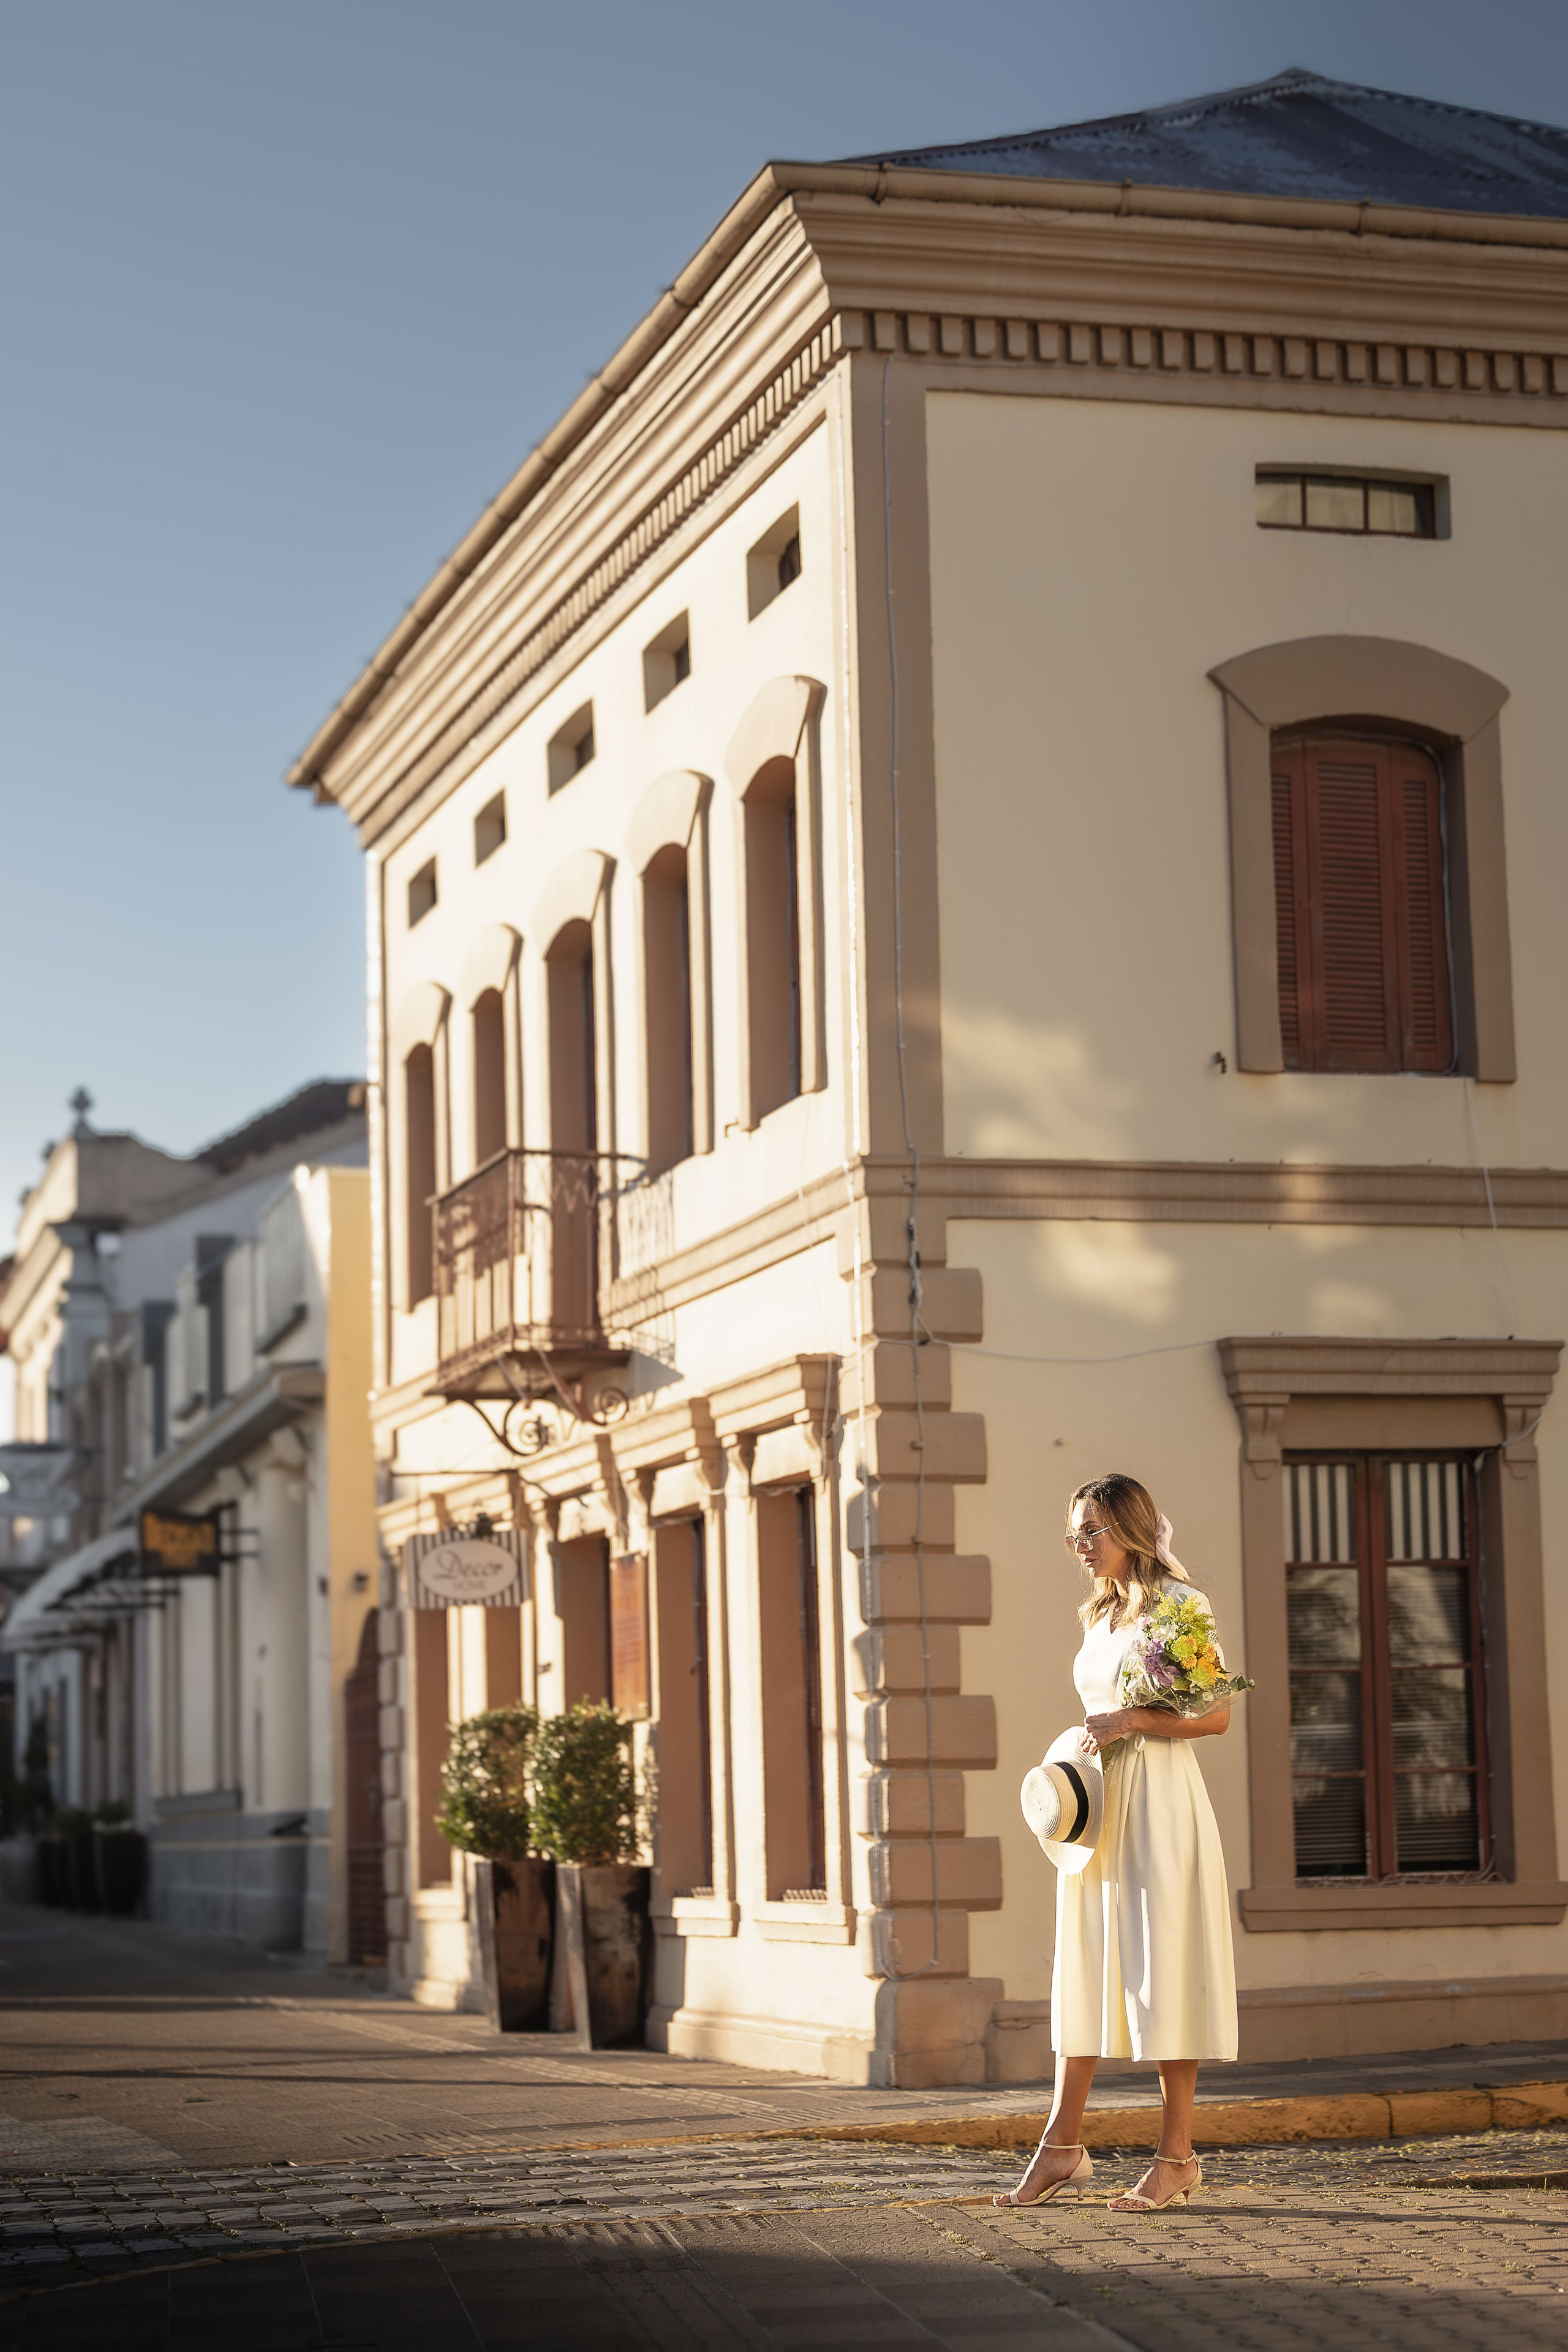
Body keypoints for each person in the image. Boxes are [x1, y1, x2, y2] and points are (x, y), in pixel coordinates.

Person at [995, 1473, 1238, 2214]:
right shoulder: (1100, 1613)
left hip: (1160, 1804)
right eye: (1072, 1534)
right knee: (1088, 1966)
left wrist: (1133, 1722)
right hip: (1099, 1805)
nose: (1079, 1547)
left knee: (1163, 1968)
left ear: (1129, 1528)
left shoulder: (1179, 1605)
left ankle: (1176, 2158)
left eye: (1089, 1532)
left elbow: (1217, 1716)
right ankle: (1061, 2146)